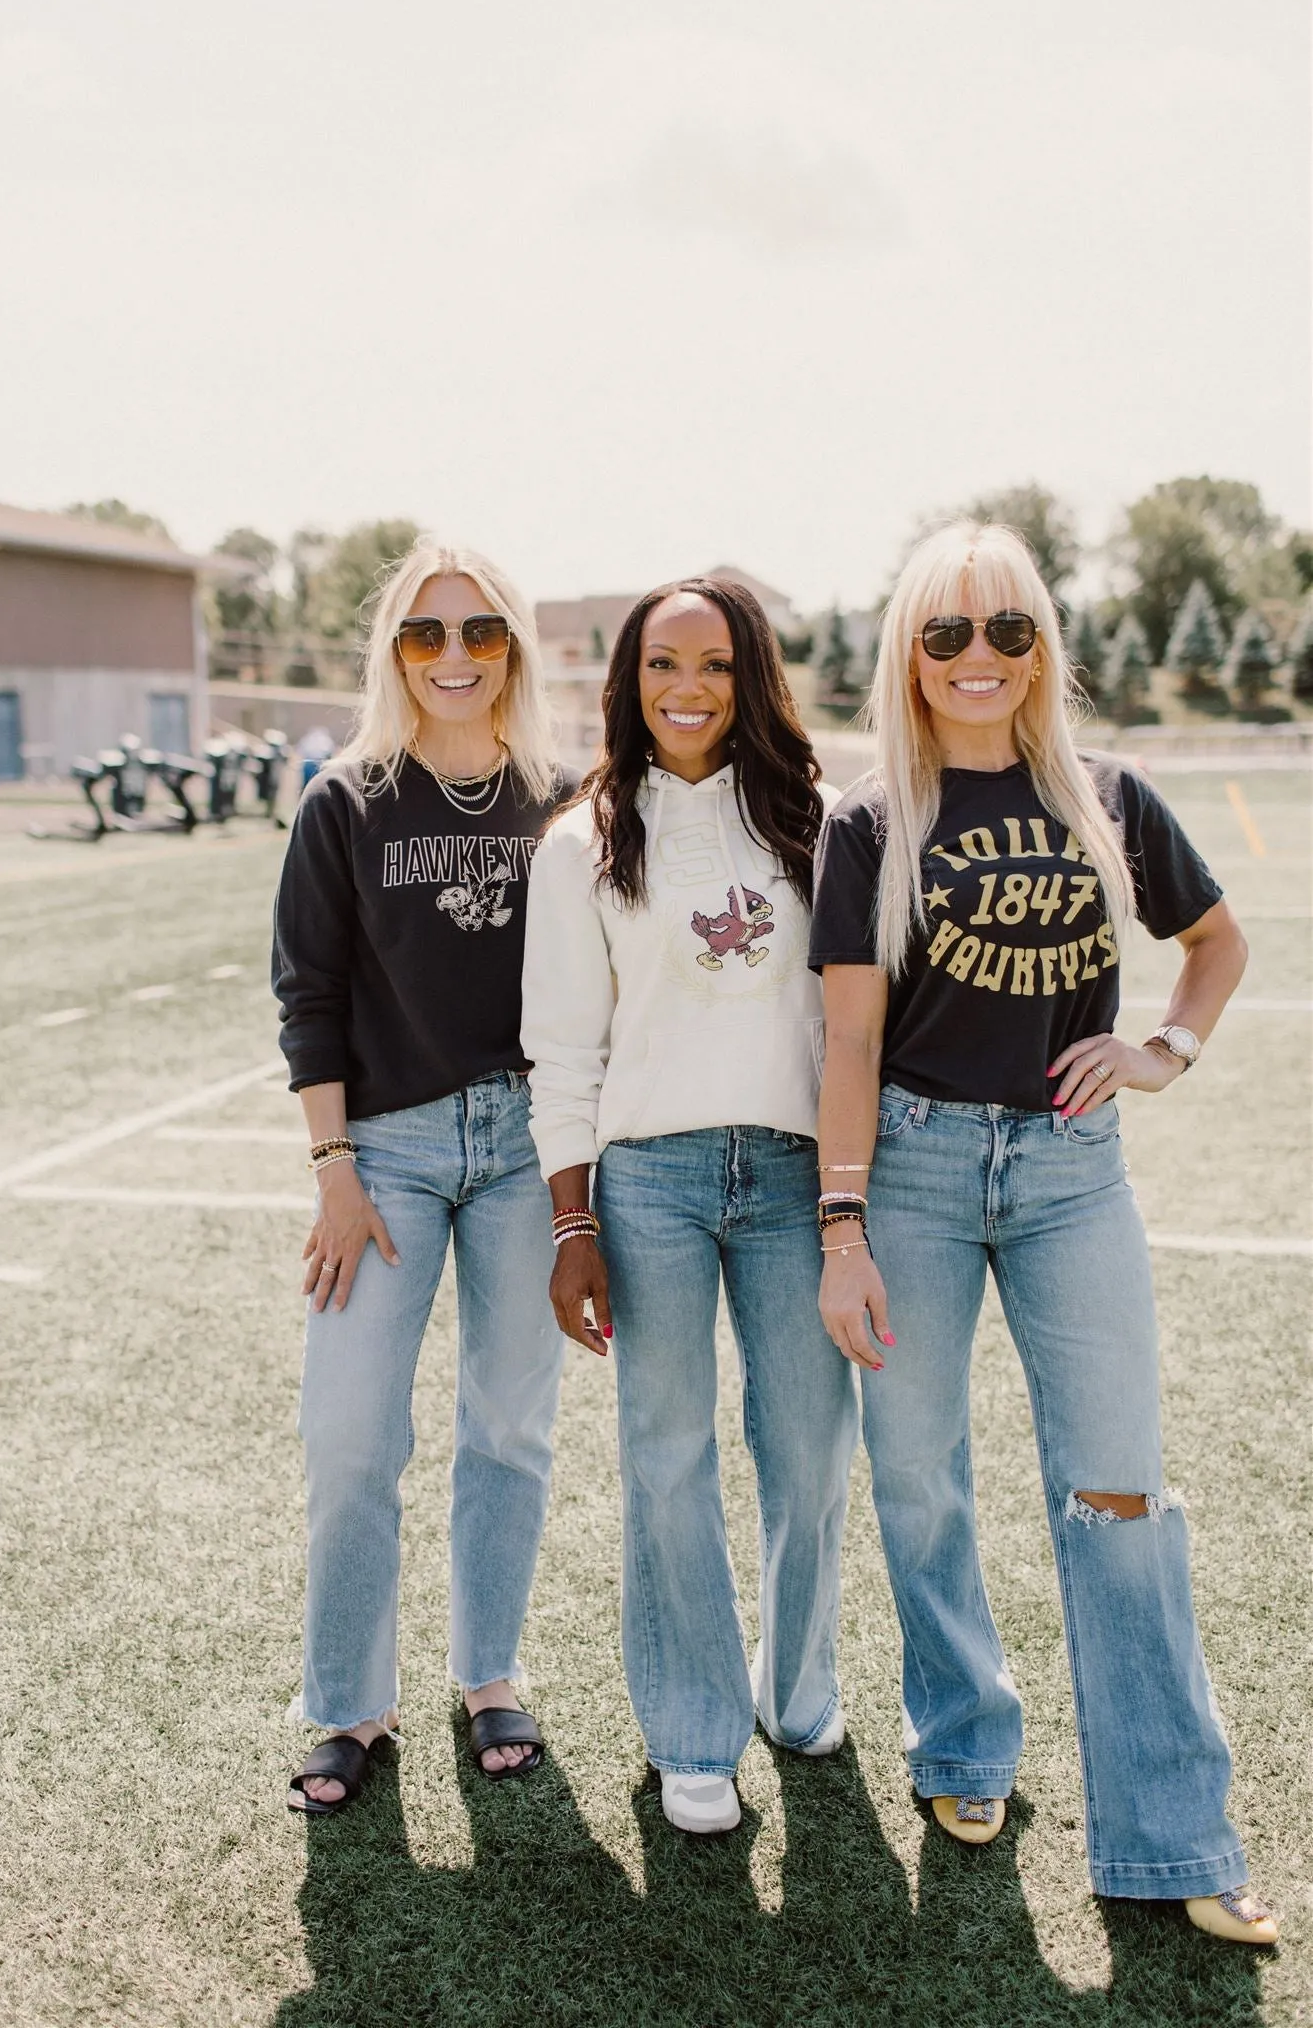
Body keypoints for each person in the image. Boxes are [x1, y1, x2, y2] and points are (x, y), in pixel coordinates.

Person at [809, 520, 1278, 1943]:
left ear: (1041, 647)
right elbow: (844, 1039)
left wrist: (1163, 1053)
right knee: (919, 1478)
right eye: (945, 633)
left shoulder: (1109, 797)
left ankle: (1173, 1837)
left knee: (1119, 1494)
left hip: (1075, 1172)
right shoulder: (869, 822)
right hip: (918, 1172)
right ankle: (964, 1746)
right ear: (909, 651)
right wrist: (842, 1226)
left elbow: (1217, 944)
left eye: (1007, 630)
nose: (977, 658)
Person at [521, 576, 859, 1836]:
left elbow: (851, 1019)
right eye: (664, 665)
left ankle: (800, 1681)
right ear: (628, 679)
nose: (688, 689)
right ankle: (691, 1730)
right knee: (667, 1459)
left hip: (791, 1173)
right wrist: (571, 1224)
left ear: (749, 675)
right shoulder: (584, 840)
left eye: (714, 664)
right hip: (648, 1181)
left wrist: (848, 1197)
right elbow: (558, 1048)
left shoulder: (816, 823)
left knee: (812, 1449)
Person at [272, 538, 578, 1813]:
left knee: (508, 1426)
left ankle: (488, 1671)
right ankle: (349, 1701)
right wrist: (335, 1165)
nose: (454, 657)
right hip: (385, 1153)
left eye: (481, 632)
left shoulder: (563, 797)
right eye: (425, 634)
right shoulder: (346, 798)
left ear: (513, 647)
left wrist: (579, 1170)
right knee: (350, 1436)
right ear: (393, 652)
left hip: (525, 1145)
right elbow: (311, 993)